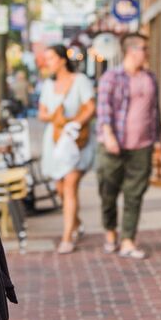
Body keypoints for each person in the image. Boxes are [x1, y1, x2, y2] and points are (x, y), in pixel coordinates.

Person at [96, 33, 161, 259]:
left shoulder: (150, 78)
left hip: (142, 145)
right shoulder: (111, 78)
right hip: (114, 144)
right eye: (144, 48)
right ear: (132, 50)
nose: (147, 52)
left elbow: (155, 111)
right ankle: (110, 230)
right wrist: (109, 136)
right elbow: (104, 110)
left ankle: (128, 240)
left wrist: (158, 139)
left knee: (135, 194)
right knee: (108, 191)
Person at [37, 45, 96, 254]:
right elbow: (42, 113)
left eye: (51, 58)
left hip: (76, 141)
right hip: (55, 141)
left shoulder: (80, 81)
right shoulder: (47, 85)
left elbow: (91, 106)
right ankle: (76, 223)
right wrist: (54, 116)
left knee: (70, 185)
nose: (48, 62)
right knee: (61, 189)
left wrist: (75, 124)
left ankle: (67, 238)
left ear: (62, 59)